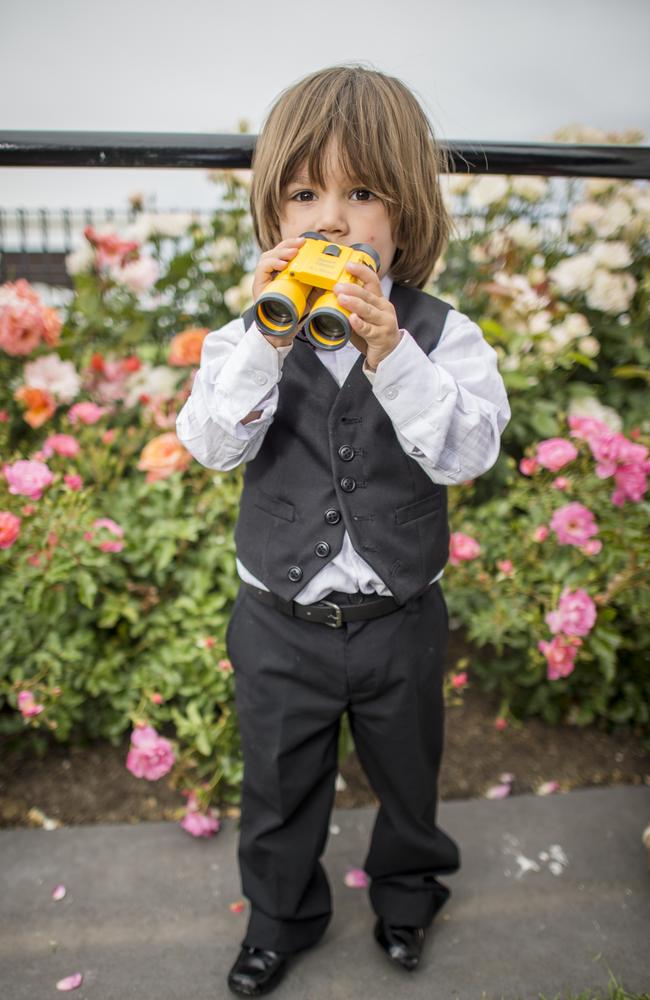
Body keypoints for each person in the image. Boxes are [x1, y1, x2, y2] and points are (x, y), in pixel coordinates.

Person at [176, 63, 510, 997]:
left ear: (405, 214)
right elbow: (209, 445)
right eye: (305, 194)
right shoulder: (247, 338)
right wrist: (267, 341)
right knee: (279, 786)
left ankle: (407, 898)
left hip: (399, 615)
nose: (330, 218)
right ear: (274, 216)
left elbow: (466, 452)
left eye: (361, 193)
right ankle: (280, 920)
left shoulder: (443, 335)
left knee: (409, 772)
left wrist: (391, 351)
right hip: (281, 621)